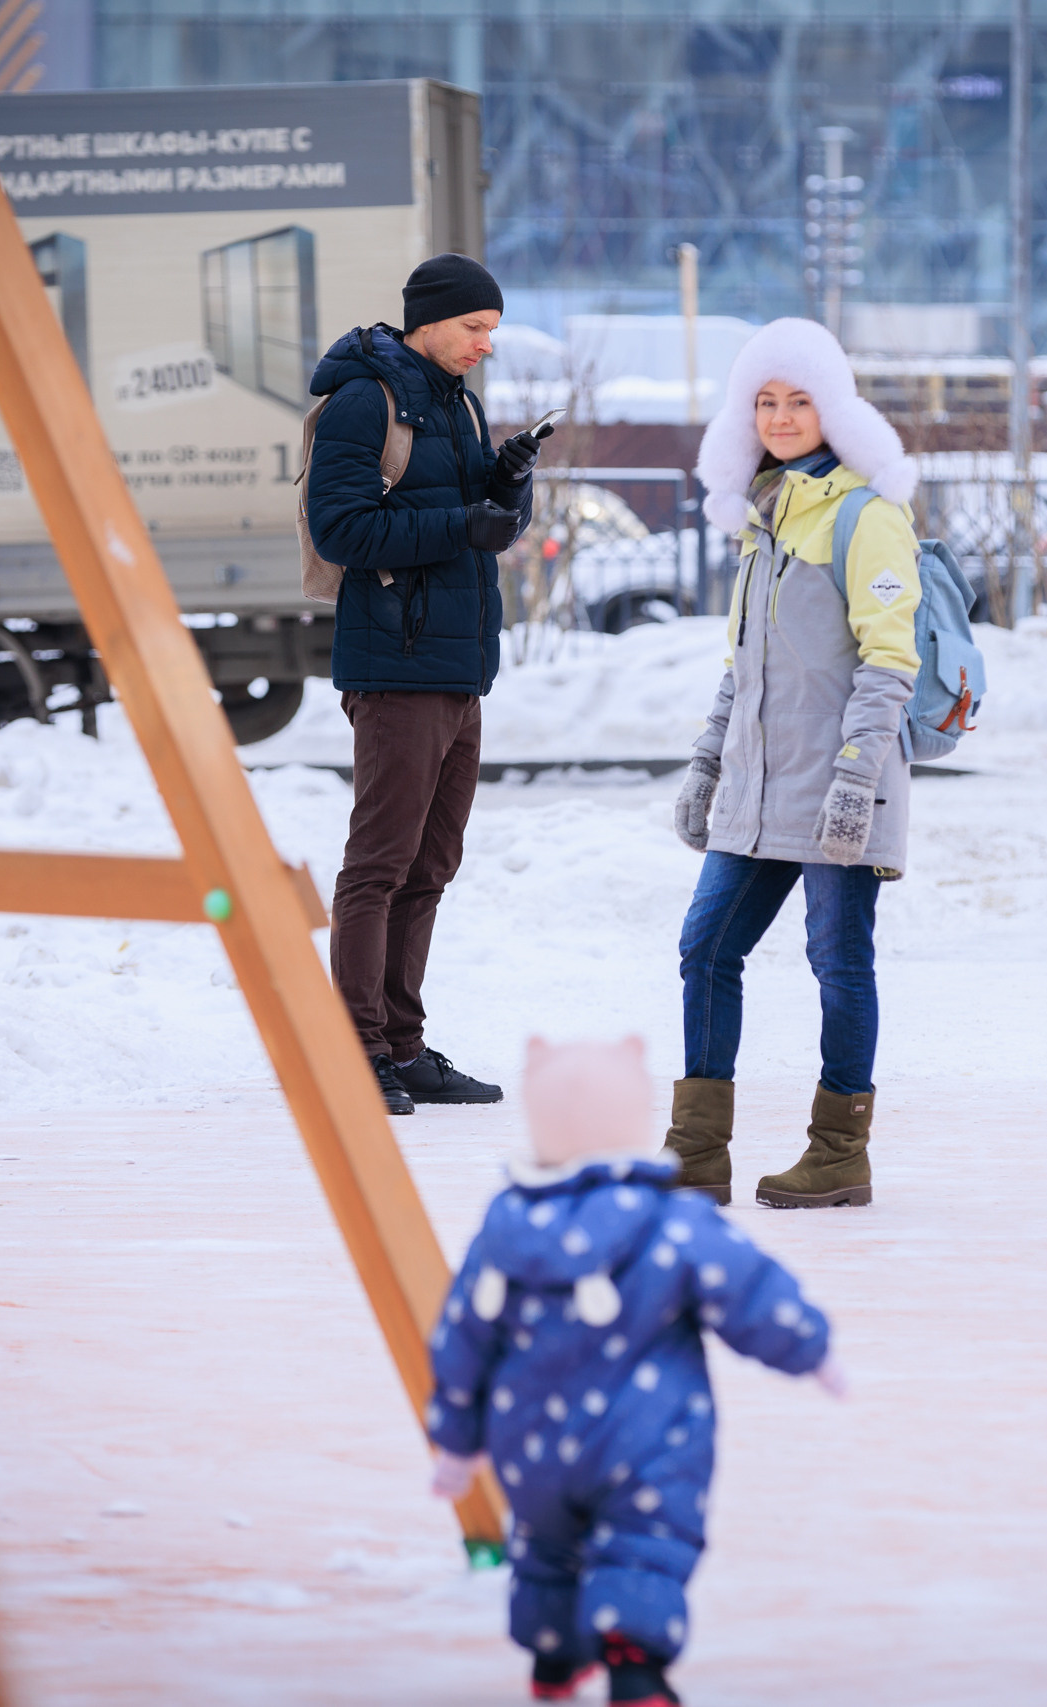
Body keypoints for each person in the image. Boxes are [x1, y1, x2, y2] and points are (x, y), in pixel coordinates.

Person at [425, 1035, 842, 1707]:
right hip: (644, 1440)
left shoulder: (503, 1229)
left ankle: (553, 1657)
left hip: (531, 1447)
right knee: (642, 1541)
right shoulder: (669, 1221)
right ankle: (634, 1662)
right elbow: (747, 1289)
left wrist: (456, 1436)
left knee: (548, 1543)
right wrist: (810, 1346)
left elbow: (462, 1339)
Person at [663, 317, 924, 1209]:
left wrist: (856, 780)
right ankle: (696, 1150)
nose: (780, 417)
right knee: (706, 947)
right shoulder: (763, 517)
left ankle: (838, 1151)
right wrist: (708, 762)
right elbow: (745, 666)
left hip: (835, 789)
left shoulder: (867, 515)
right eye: (765, 401)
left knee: (837, 961)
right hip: (757, 788)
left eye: (799, 400)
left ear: (835, 408)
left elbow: (890, 662)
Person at [307, 253, 541, 1115]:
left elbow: (479, 518)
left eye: (491, 329)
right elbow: (341, 528)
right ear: (430, 320)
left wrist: (507, 478)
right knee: (379, 862)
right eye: (475, 327)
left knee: (431, 862)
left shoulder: (456, 401)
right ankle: (355, 1047)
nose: (486, 343)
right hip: (395, 666)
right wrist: (461, 521)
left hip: (456, 668)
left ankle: (401, 1045)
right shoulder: (367, 399)